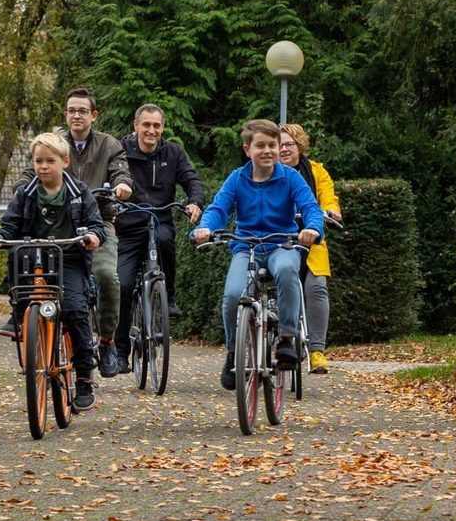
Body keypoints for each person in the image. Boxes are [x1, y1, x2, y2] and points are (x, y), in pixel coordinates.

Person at [192, 119, 324, 391]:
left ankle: (287, 339)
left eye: (272, 145)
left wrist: (312, 227)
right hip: (246, 246)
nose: (267, 151)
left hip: (281, 244)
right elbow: (219, 209)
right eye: (260, 146)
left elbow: (309, 205)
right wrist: (205, 227)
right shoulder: (237, 178)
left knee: (288, 271)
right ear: (247, 149)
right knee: (232, 295)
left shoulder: (290, 177)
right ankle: (233, 353)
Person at [0, 131, 104, 410]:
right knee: (17, 253)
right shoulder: (26, 194)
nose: (43, 166)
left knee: (76, 311)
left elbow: (96, 225)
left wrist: (94, 237)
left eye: (49, 161)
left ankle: (85, 376)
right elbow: (10, 226)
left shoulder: (79, 193)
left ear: (64, 162)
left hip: (70, 259)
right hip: (35, 259)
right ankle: (20, 312)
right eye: (38, 161)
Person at [116, 104, 205, 371]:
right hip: (129, 225)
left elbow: (192, 179)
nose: (151, 130)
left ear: (162, 128)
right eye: (146, 125)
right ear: (136, 125)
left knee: (166, 242)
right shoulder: (121, 151)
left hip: (159, 220)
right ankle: (120, 351)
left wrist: (194, 201)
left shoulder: (173, 153)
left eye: (156, 125)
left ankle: (169, 296)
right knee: (122, 285)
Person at [59, 88, 134, 378]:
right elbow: (34, 169)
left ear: (93, 115)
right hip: (60, 223)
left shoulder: (108, 144)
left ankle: (107, 341)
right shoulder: (56, 143)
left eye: (82, 110)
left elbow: (120, 170)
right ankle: (25, 320)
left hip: (98, 221)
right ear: (65, 114)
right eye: (71, 110)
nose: (76, 115)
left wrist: (122, 185)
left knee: (106, 274)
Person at [279, 123, 342, 375]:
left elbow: (327, 196)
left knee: (316, 287)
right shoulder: (269, 172)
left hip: (311, 237)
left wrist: (331, 209)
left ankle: (317, 350)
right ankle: (281, 337)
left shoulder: (316, 171)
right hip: (279, 238)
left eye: (289, 144)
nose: (284, 149)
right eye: (280, 145)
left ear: (300, 146)